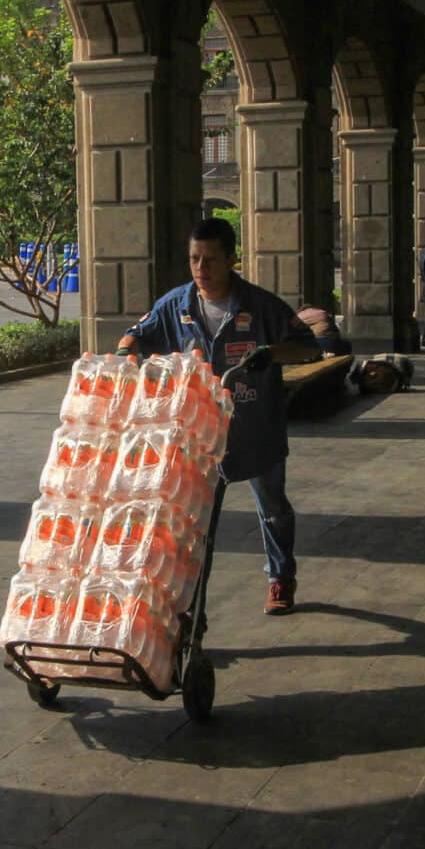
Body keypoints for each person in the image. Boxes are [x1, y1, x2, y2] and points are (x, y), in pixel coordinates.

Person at [117, 217, 322, 615]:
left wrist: (271, 355)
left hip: (254, 427)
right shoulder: (176, 305)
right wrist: (127, 349)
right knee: (194, 523)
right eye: (194, 259)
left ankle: (280, 578)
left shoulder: (261, 306)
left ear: (232, 259)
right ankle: (190, 605)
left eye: (210, 260)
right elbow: (136, 334)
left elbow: (308, 347)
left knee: (273, 508)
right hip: (197, 436)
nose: (201, 270)